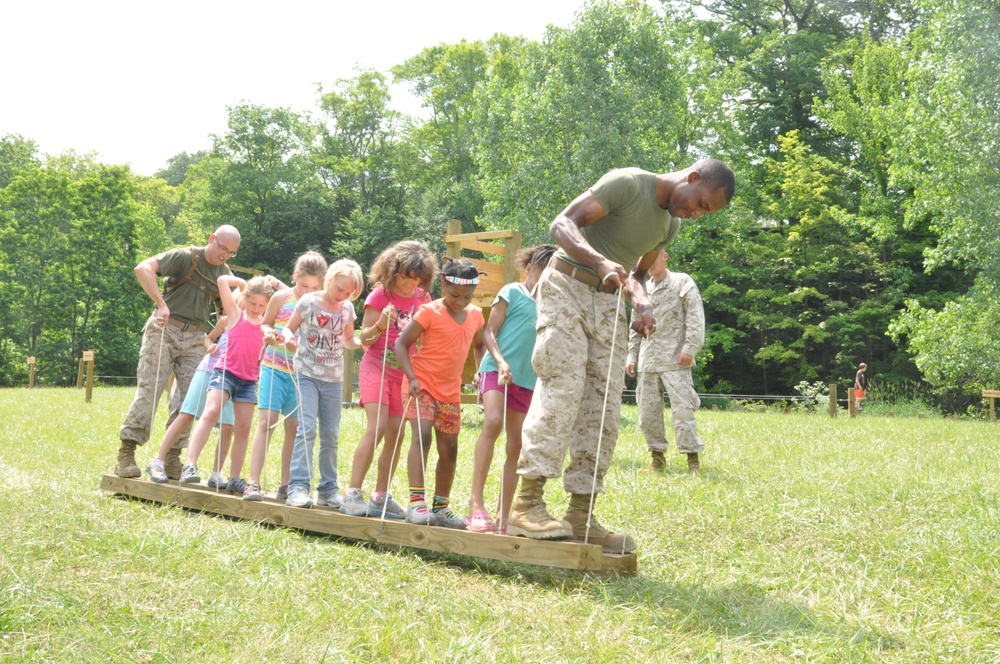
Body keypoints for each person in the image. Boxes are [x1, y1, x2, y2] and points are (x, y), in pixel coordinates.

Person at [508, 159, 735, 551]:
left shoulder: (670, 224)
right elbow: (562, 224)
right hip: (567, 286)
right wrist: (598, 260)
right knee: (563, 389)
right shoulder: (628, 184)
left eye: (704, 213)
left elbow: (639, 275)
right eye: (699, 203)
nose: (695, 215)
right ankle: (526, 504)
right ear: (692, 177)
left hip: (609, 304)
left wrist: (642, 302)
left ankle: (581, 513)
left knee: (604, 407)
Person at [116, 225, 241, 480]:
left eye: (231, 253)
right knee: (150, 390)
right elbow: (143, 269)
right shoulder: (185, 256)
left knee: (190, 399)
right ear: (212, 239)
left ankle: (172, 457)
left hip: (196, 337)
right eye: (222, 248)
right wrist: (160, 305)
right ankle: (126, 453)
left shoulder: (224, 275)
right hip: (164, 330)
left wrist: (215, 338)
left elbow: (229, 312)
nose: (224, 256)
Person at [340, 241, 437, 519]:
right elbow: (364, 339)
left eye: (417, 278)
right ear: (393, 272)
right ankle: (352, 493)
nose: (411, 284)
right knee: (378, 427)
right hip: (376, 368)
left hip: (404, 374)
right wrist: (382, 323)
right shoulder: (379, 296)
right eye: (406, 277)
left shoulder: (424, 299)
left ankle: (380, 496)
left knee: (396, 435)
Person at [148, 275, 274, 484]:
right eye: (253, 303)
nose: (256, 308)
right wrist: (243, 284)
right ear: (245, 298)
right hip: (224, 373)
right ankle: (189, 465)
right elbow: (222, 280)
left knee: (241, 428)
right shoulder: (234, 315)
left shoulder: (265, 325)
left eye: (262, 305)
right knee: (209, 411)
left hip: (248, 382)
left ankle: (233, 477)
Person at [467, 244, 556, 534]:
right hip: (496, 369)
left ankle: (505, 516)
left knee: (516, 446)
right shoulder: (511, 292)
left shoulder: (550, 302)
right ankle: (476, 505)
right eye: (543, 269)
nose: (546, 277)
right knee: (492, 422)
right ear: (529, 267)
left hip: (527, 381)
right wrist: (502, 362)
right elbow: (489, 333)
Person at [396, 258, 485, 528]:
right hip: (420, 384)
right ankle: (416, 503)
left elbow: (479, 345)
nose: (460, 301)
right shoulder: (429, 312)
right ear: (444, 285)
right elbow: (402, 344)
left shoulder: (476, 314)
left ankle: (441, 507)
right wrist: (411, 377)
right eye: (455, 295)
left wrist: (480, 372)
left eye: (467, 297)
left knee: (450, 449)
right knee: (421, 438)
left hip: (450, 392)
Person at [278, 260, 363, 507]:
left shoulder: (347, 309)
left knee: (331, 434)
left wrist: (362, 342)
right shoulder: (308, 302)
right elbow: (288, 329)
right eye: (340, 289)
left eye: (349, 293)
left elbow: (348, 340)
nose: (343, 295)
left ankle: (327, 490)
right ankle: (297, 487)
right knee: (306, 429)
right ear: (330, 279)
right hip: (306, 374)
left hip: (333, 380)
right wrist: (287, 339)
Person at [244, 251, 327, 500]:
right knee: (267, 421)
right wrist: (268, 334)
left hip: (302, 375)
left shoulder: (320, 305)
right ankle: (253, 482)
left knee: (294, 427)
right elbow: (266, 323)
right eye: (303, 285)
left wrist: (300, 348)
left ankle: (286, 484)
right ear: (294, 277)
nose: (308, 290)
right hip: (274, 367)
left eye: (314, 286)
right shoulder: (281, 297)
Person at [625, 250, 705, 474]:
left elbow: (695, 317)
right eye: (644, 260)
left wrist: (690, 347)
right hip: (648, 362)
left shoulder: (682, 282)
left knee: (683, 413)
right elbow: (635, 326)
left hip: (676, 360)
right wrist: (631, 355)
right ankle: (657, 458)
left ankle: (692, 461)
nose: (649, 264)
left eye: (653, 258)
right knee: (647, 414)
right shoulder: (642, 290)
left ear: (666, 256)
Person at [145, 315, 236, 487]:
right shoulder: (227, 320)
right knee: (186, 414)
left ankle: (216, 473)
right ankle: (157, 460)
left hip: (232, 378)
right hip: (209, 370)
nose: (253, 308)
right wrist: (210, 346)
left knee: (228, 426)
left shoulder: (258, 324)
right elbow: (207, 338)